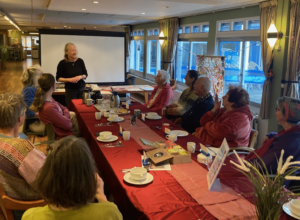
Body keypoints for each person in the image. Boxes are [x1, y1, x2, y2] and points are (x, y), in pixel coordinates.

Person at [22, 136, 123, 220]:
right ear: (89, 177)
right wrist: (101, 195)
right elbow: (108, 213)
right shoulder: (109, 213)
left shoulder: (30, 216)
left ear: (47, 176)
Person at [0, 92, 46, 220]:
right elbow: (48, 181)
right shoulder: (21, 148)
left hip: (6, 205)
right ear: (20, 118)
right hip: (29, 209)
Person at [246, 97, 300, 178]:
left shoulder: (286, 143)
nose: (275, 111)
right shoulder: (294, 133)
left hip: (267, 181)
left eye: (278, 109)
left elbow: (263, 165)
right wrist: (271, 135)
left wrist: (244, 163)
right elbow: (280, 136)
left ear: (285, 115)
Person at [30, 74, 80, 140]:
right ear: (53, 85)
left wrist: (64, 117)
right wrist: (65, 117)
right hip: (63, 139)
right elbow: (68, 125)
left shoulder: (50, 99)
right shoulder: (49, 108)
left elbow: (64, 108)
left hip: (66, 135)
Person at [56, 42, 88, 108]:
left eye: (75, 50)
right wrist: (69, 80)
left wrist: (80, 76)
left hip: (82, 89)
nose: (74, 52)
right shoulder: (62, 63)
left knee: (82, 108)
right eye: (72, 50)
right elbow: (58, 78)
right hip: (70, 90)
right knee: (71, 109)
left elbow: (85, 75)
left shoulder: (80, 61)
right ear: (66, 52)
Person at [21, 64, 45, 133]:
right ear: (35, 77)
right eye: (41, 75)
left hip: (40, 120)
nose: (42, 77)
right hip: (35, 123)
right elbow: (29, 113)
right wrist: (47, 114)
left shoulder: (35, 88)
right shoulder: (29, 90)